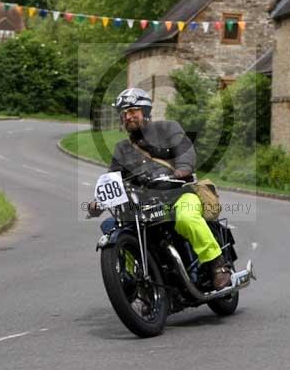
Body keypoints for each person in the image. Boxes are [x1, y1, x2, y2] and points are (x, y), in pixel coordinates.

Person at [88, 87, 231, 289]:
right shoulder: (122, 149)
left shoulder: (167, 128)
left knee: (187, 218)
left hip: (179, 194)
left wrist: (182, 169)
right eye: (125, 113)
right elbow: (113, 178)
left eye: (133, 111)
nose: (128, 117)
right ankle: (135, 280)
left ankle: (217, 264)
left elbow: (184, 150)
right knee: (119, 228)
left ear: (145, 112)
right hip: (144, 207)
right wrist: (100, 200)